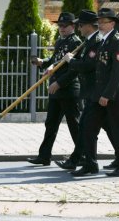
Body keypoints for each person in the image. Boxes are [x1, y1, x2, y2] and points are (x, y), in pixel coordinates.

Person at [70, 8, 119, 177]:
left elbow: (118, 72)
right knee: (88, 127)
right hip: (99, 94)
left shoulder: (118, 41)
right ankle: (90, 164)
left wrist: (107, 95)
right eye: (99, 21)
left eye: (103, 21)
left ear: (112, 23)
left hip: (113, 95)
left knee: (118, 129)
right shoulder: (104, 41)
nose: (100, 24)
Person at [26, 12, 82, 166]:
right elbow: (54, 61)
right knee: (51, 124)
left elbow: (73, 70)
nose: (61, 28)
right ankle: (44, 156)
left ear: (73, 26)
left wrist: (59, 84)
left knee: (74, 125)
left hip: (69, 90)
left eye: (65, 26)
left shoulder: (76, 43)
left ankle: (83, 156)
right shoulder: (60, 42)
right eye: (60, 26)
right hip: (55, 90)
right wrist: (41, 62)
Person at [57, 11, 106, 172]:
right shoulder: (87, 42)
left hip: (95, 92)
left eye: (81, 25)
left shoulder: (96, 42)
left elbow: (87, 66)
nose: (78, 28)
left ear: (90, 26)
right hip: (90, 93)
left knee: (107, 129)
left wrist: (71, 61)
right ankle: (80, 160)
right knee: (87, 128)